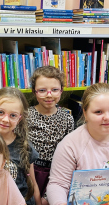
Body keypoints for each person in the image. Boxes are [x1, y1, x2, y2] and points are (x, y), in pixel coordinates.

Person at [47, 83, 109, 205]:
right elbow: (58, 184)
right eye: (98, 112)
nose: (107, 117)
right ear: (85, 113)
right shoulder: (69, 145)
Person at [0, 87, 41, 205]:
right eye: (1, 112)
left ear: (20, 118)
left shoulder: (25, 147)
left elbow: (33, 184)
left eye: (13, 115)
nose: (5, 119)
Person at [27, 66, 74, 205]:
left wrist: (48, 195)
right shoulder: (26, 116)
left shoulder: (67, 119)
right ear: (34, 92)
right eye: (42, 90)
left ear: (61, 90)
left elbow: (69, 156)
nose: (49, 95)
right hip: (31, 172)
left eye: (54, 90)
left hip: (57, 174)